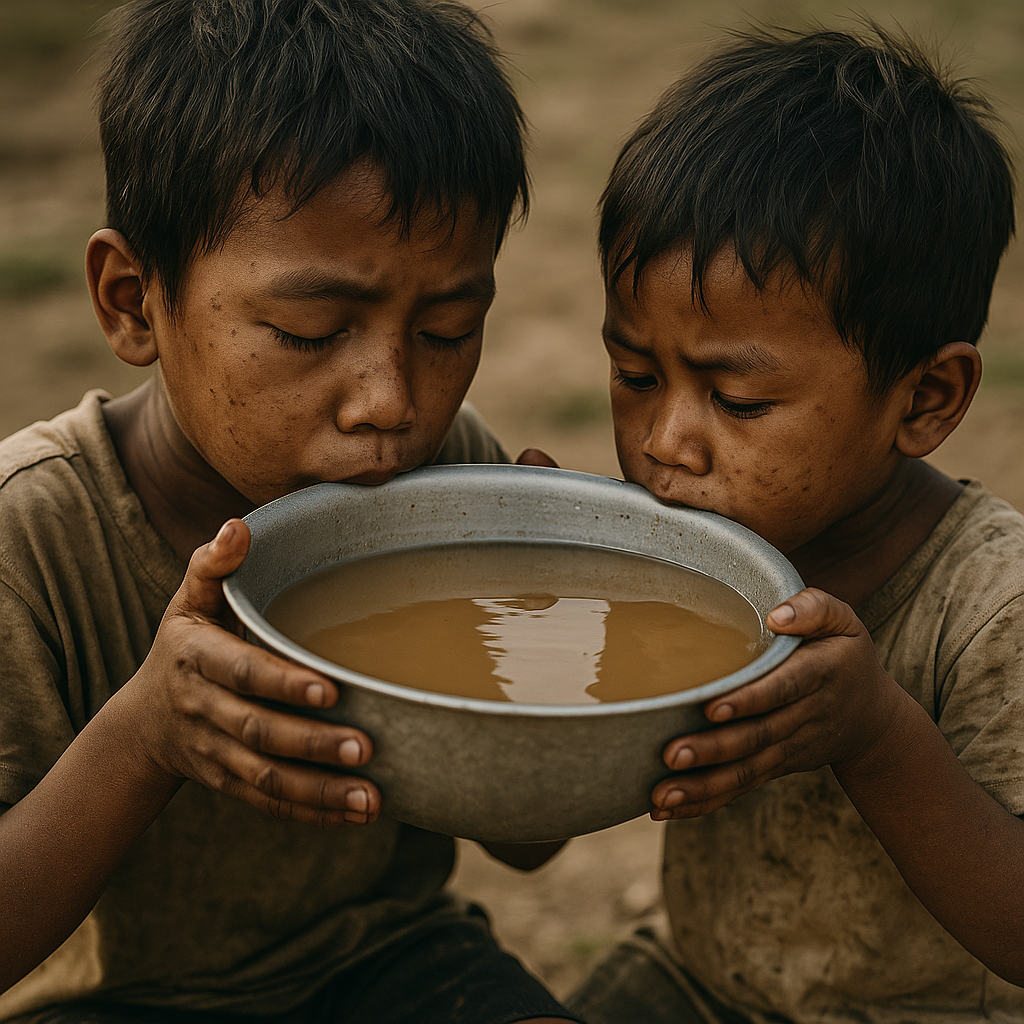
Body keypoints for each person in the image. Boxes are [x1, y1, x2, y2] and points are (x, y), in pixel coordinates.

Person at [0, 2, 579, 1023]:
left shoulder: (450, 480)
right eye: (312, 332)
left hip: (392, 963)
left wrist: (543, 632)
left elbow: (527, 842)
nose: (391, 402)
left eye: (447, 329)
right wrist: (142, 738)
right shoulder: (32, 540)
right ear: (133, 300)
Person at [565, 25, 1024, 1024]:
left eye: (735, 398)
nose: (666, 441)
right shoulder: (677, 547)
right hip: (695, 983)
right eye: (636, 376)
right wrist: (556, 586)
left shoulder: (991, 604)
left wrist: (874, 734)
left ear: (924, 398)